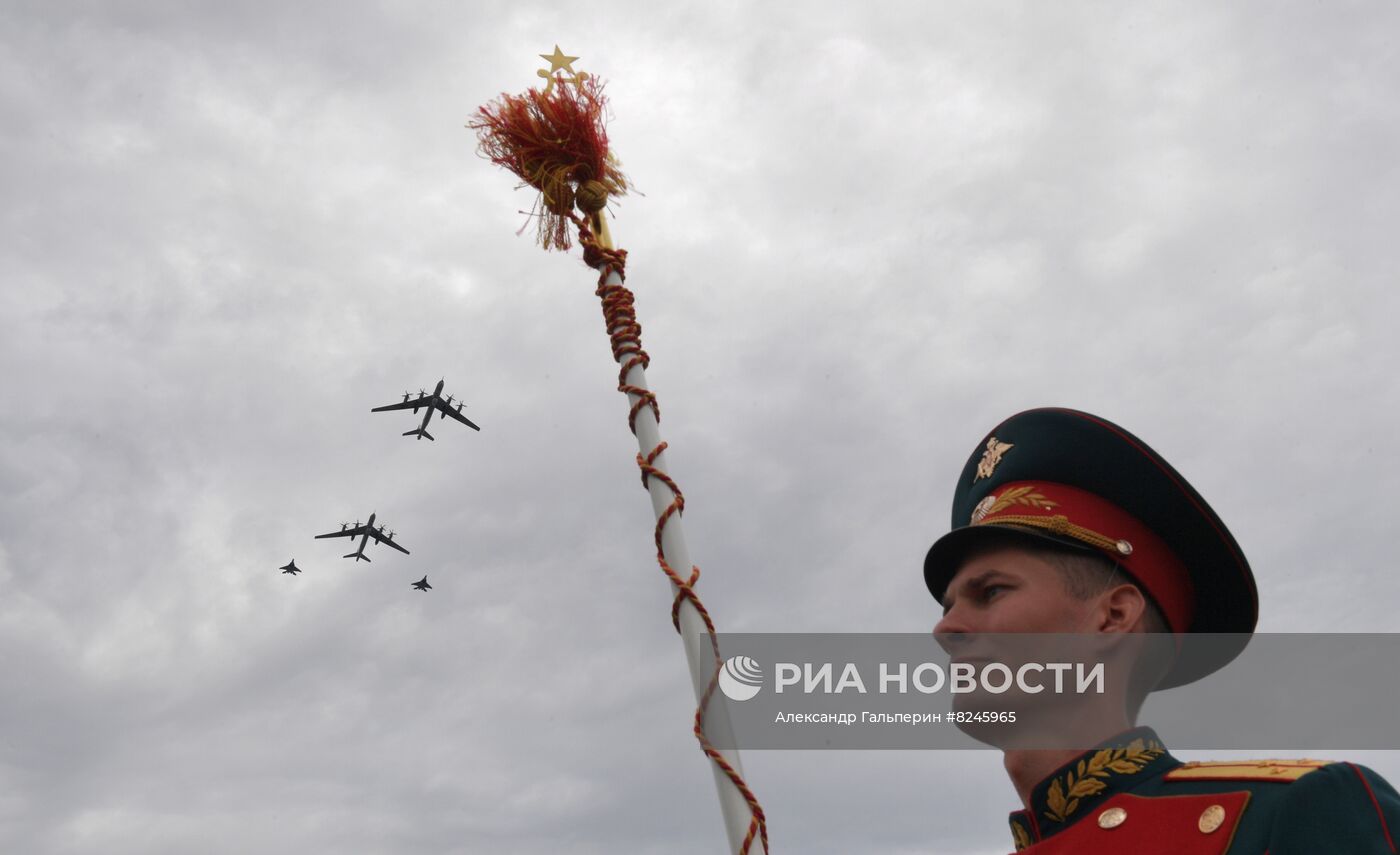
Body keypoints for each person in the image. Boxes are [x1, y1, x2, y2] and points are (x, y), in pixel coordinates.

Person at [922, 407, 1400, 853]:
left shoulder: (1287, 815)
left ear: (1112, 617)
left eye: (991, 592)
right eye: (948, 605)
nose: (946, 628)